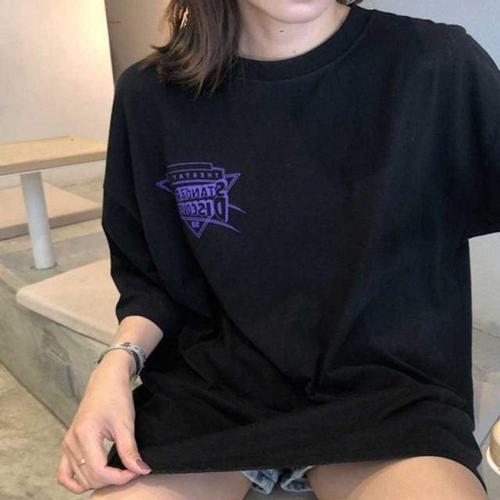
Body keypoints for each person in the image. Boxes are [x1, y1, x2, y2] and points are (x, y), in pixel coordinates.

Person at [57, 0, 499, 498]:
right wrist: (116, 365)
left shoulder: (435, 63)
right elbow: (152, 282)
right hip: (211, 400)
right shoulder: (149, 95)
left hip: (392, 400)